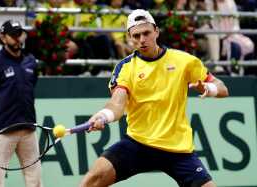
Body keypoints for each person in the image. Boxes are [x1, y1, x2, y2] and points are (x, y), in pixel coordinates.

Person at [80, 9, 229, 187]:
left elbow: (223, 89)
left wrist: (209, 88)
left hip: (178, 149)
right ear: (129, 37)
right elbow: (117, 103)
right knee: (92, 180)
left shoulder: (184, 61)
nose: (142, 40)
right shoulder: (125, 68)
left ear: (156, 31)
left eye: (146, 33)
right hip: (138, 144)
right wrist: (104, 115)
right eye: (136, 36)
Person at [0, 20, 43, 187]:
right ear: (3, 37)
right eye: (13, 36)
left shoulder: (30, 62)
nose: (17, 39)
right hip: (3, 129)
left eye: (19, 35)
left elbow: (30, 89)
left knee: (35, 179)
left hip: (28, 128)